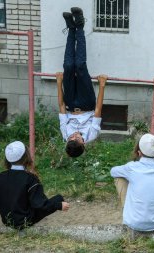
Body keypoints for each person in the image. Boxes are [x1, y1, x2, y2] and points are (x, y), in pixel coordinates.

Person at [0, 141, 69, 229]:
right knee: (58, 199)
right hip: (26, 221)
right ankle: (59, 202)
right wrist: (58, 205)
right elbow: (40, 205)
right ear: (27, 156)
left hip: (8, 221)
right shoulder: (30, 179)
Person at [57, 7, 107, 158]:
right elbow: (98, 110)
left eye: (72, 137)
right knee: (79, 65)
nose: (75, 135)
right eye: (77, 138)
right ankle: (79, 25)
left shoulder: (66, 134)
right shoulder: (92, 135)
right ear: (83, 143)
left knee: (67, 66)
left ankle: (71, 29)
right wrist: (102, 86)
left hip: (71, 102)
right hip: (87, 103)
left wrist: (59, 83)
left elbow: (61, 107)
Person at [110, 134, 154, 237]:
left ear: (139, 152)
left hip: (134, 222)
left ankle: (126, 208)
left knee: (120, 178)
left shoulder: (132, 167)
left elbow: (113, 172)